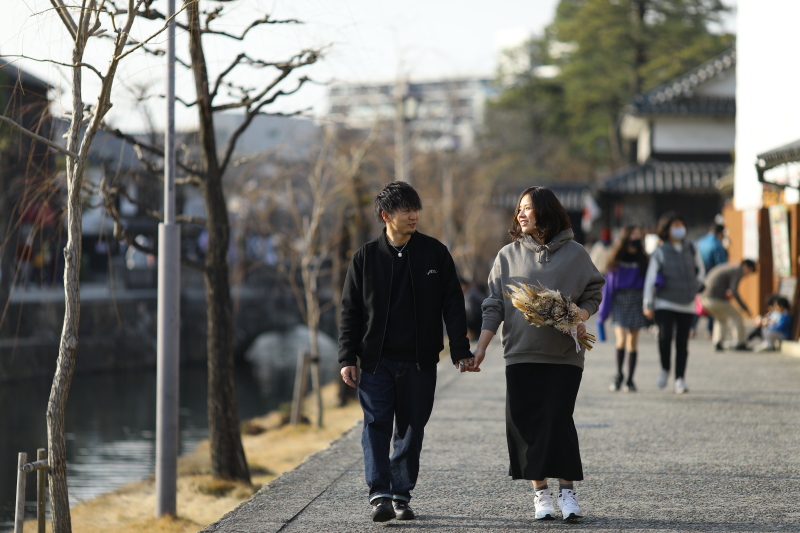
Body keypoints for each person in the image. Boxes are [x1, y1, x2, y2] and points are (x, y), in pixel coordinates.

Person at [338, 181, 473, 523]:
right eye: (405, 210)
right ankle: (379, 494)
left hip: (419, 361)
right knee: (376, 425)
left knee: (411, 429)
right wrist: (346, 358)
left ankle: (401, 494)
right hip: (375, 361)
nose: (413, 215)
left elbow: (452, 305)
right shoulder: (365, 258)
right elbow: (350, 310)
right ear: (386, 216)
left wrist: (460, 349)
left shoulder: (434, 253)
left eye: (416, 209)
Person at [468, 186, 604, 521]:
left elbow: (594, 291)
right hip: (520, 354)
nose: (521, 214)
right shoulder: (506, 256)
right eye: (519, 209)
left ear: (545, 211)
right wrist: (482, 347)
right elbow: (494, 305)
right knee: (525, 424)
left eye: (528, 208)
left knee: (558, 420)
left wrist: (578, 316)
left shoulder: (576, 254)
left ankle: (568, 492)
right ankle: (541, 494)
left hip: (564, 356)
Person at [643, 212, 705, 394]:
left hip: (687, 302)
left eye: (681, 224)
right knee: (664, 336)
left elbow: (700, 269)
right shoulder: (660, 252)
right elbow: (650, 279)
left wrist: (698, 285)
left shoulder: (691, 248)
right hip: (664, 301)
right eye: (674, 225)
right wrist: (648, 303)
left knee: (682, 343)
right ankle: (664, 368)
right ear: (666, 229)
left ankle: (680, 379)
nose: (679, 229)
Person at [597, 225, 649, 392]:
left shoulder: (644, 259)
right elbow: (609, 288)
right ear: (626, 237)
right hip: (620, 300)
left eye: (638, 234)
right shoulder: (616, 260)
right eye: (633, 234)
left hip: (637, 300)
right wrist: (602, 315)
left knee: (633, 342)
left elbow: (653, 280)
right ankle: (619, 374)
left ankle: (630, 379)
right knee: (621, 339)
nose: (637, 237)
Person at [700, 259, 757, 352]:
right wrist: (745, 308)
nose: (747, 275)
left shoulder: (729, 267)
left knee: (721, 319)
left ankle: (718, 342)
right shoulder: (736, 271)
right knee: (737, 316)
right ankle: (740, 342)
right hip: (715, 298)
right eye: (749, 271)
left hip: (704, 298)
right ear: (745, 266)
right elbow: (733, 291)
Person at [694, 223, 729, 338]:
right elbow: (721, 265)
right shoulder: (717, 245)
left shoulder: (700, 241)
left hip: (698, 277)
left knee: (699, 303)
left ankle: (692, 328)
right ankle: (709, 330)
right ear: (720, 233)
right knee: (712, 303)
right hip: (712, 279)